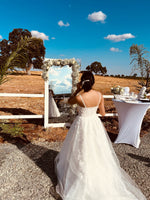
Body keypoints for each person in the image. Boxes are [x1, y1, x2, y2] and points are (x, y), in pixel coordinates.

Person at [54, 71, 146, 200]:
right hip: (94, 123)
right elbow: (102, 113)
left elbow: (70, 101)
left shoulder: (80, 97)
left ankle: (80, 174)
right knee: (97, 149)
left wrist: (77, 90)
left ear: (82, 82)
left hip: (82, 123)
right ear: (93, 82)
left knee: (81, 149)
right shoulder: (99, 95)